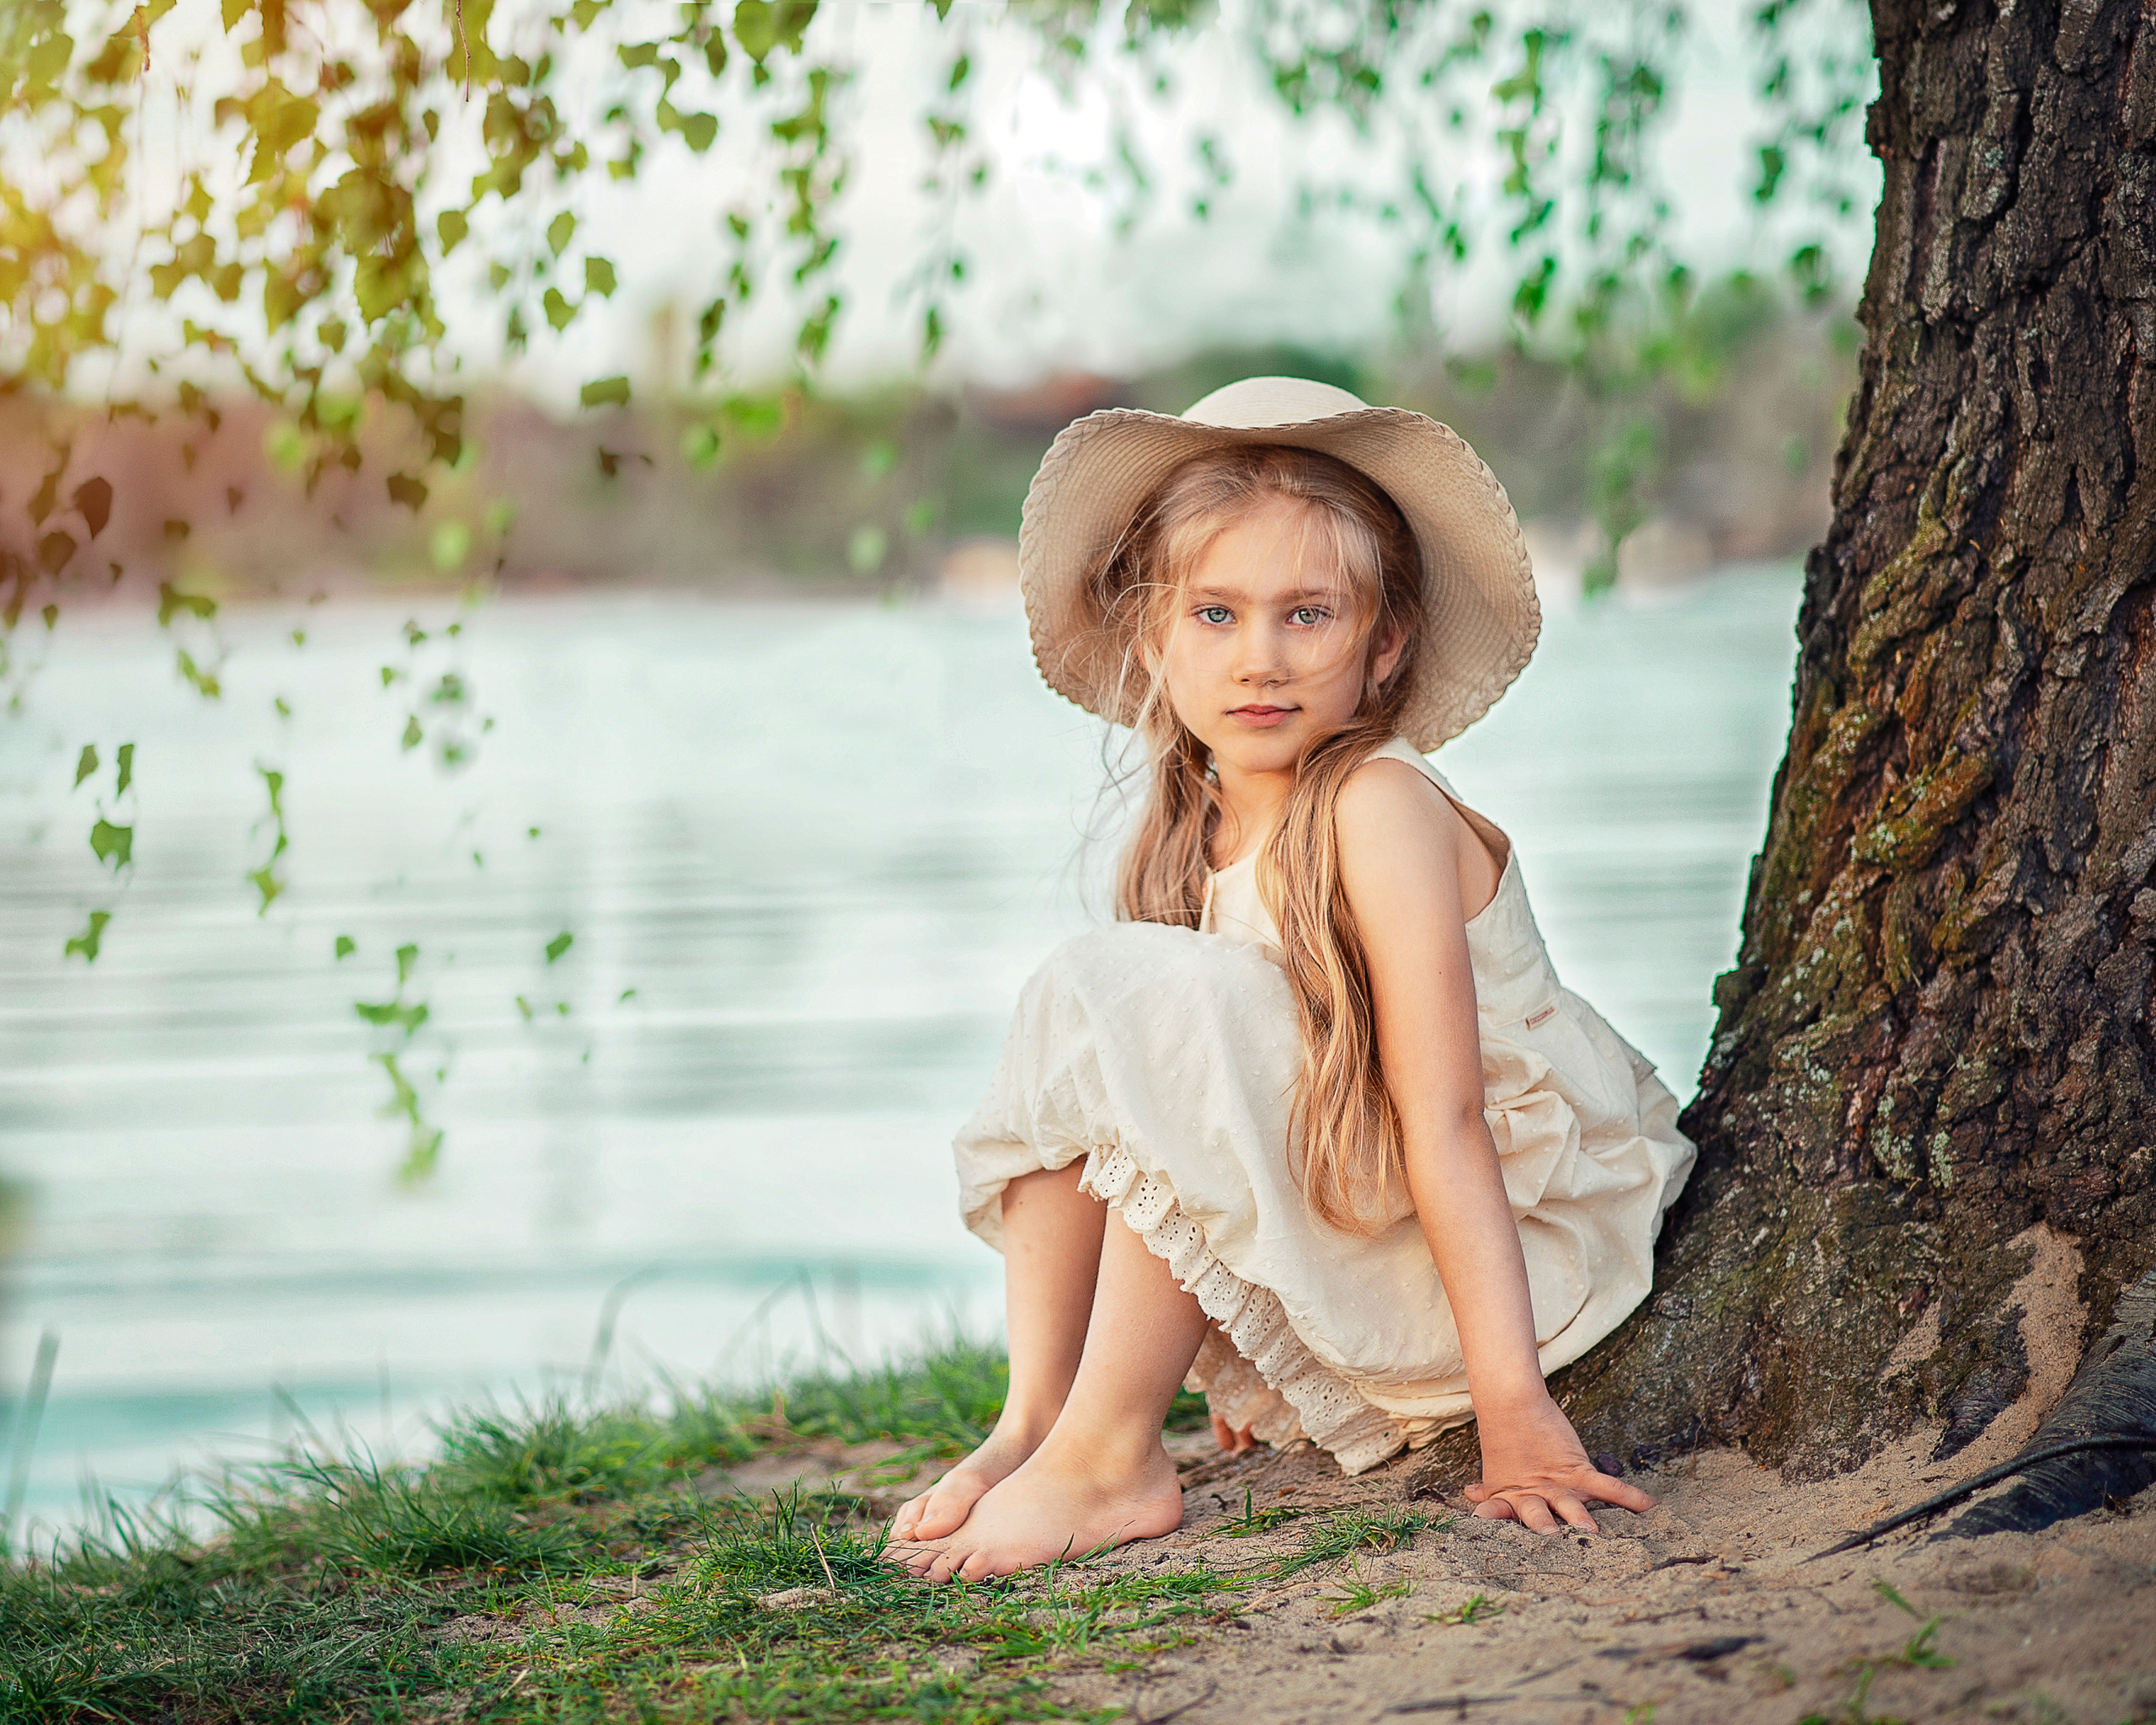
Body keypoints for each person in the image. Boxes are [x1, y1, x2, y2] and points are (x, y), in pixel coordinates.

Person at [888, 377, 1696, 1583]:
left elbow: (1449, 1118)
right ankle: (1038, 1425)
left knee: (1132, 996)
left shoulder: (1379, 806)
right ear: (1155, 640)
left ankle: (1112, 1459)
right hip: (1366, 1228)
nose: (1259, 658)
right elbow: (1172, 1131)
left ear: (1384, 645)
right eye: (1214, 615)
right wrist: (1247, 1318)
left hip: (1506, 1272)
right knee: (1086, 1004)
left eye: (1305, 615)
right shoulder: (1193, 835)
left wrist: (1514, 1408)